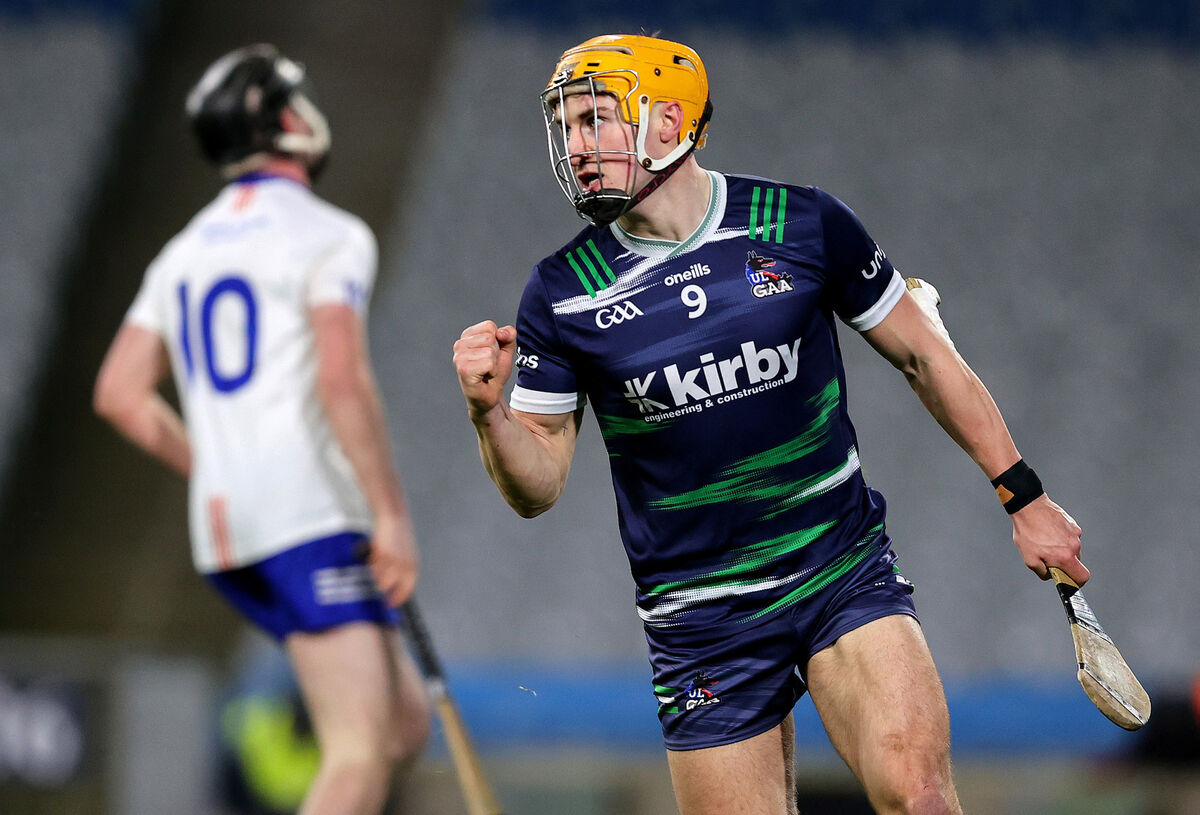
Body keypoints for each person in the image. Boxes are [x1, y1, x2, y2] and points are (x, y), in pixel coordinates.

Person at [452, 34, 1087, 815]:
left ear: (668, 120)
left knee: (919, 796)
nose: (578, 148)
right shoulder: (561, 291)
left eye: (597, 120)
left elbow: (926, 355)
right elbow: (536, 484)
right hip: (700, 621)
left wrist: (1023, 496)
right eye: (569, 127)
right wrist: (489, 414)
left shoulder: (802, 221)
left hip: (839, 572)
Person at [94, 44, 429, 815]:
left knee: (402, 724)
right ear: (285, 120)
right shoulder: (329, 233)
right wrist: (390, 514)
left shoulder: (182, 252)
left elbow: (118, 393)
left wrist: (214, 466)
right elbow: (341, 378)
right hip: (308, 515)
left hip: (226, 531)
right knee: (356, 749)